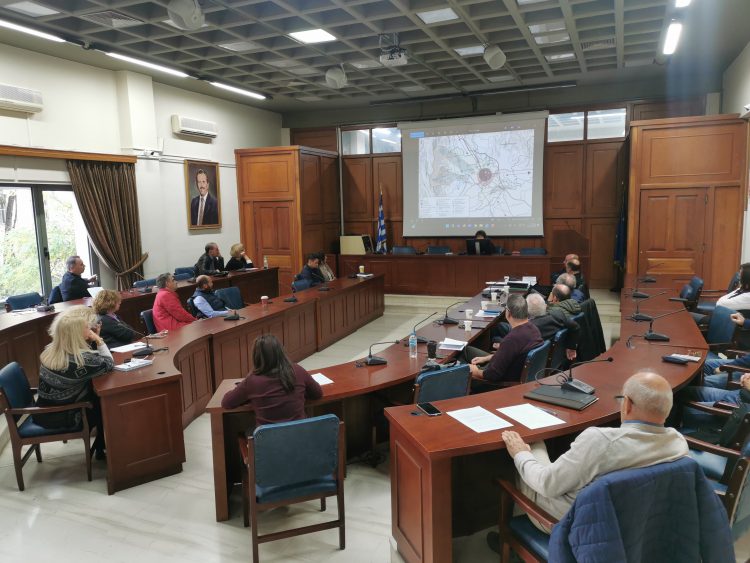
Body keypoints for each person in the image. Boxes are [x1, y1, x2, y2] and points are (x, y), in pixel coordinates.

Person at [495, 371, 687, 539]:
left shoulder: (600, 441)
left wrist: (521, 453)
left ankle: (511, 537)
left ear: (627, 404)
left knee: (531, 446)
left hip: (571, 525)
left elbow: (547, 484)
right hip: (637, 524)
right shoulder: (678, 444)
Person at [35, 306, 114, 459]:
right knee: (106, 405)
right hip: (64, 416)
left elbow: (92, 360)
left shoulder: (51, 350)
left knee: (97, 397)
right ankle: (104, 448)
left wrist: (92, 339)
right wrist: (99, 340)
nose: (90, 329)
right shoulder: (80, 361)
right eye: (87, 327)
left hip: (44, 411)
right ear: (76, 334)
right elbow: (109, 364)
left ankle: (101, 446)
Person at [220, 334, 323, 426]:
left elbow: (227, 403)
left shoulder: (252, 381)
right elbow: (317, 393)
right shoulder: (297, 370)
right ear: (281, 352)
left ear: (256, 357)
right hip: (300, 436)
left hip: (269, 440)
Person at [464, 294, 543, 388]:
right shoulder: (534, 329)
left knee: (460, 363)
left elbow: (491, 375)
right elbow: (512, 355)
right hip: (512, 372)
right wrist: (487, 358)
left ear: (508, 313)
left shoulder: (512, 339)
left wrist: (475, 371)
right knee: (466, 350)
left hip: (499, 384)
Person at [526, 292, 579, 362]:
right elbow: (576, 327)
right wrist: (571, 347)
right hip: (555, 360)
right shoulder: (558, 315)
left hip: (536, 363)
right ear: (545, 306)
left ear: (526, 311)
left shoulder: (527, 329)